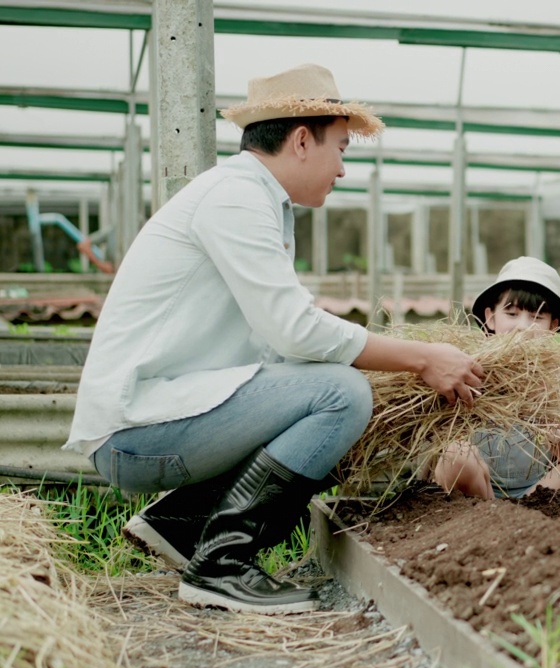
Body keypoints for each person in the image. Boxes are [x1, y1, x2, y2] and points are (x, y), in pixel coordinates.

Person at [63, 64, 486, 615]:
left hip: (162, 418)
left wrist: (396, 369)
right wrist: (422, 357)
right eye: (340, 148)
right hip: (136, 430)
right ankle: (220, 566)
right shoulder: (236, 198)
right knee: (342, 396)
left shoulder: (256, 200)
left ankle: (183, 525)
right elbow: (294, 328)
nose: (342, 169)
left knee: (356, 402)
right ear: (302, 140)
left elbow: (288, 345)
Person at [429, 256, 560, 499]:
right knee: (456, 455)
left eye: (536, 317)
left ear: (553, 326)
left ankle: (521, 520)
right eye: (511, 313)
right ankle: (489, 513)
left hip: (535, 494)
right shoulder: (466, 366)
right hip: (475, 490)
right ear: (490, 317)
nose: (522, 326)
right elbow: (439, 446)